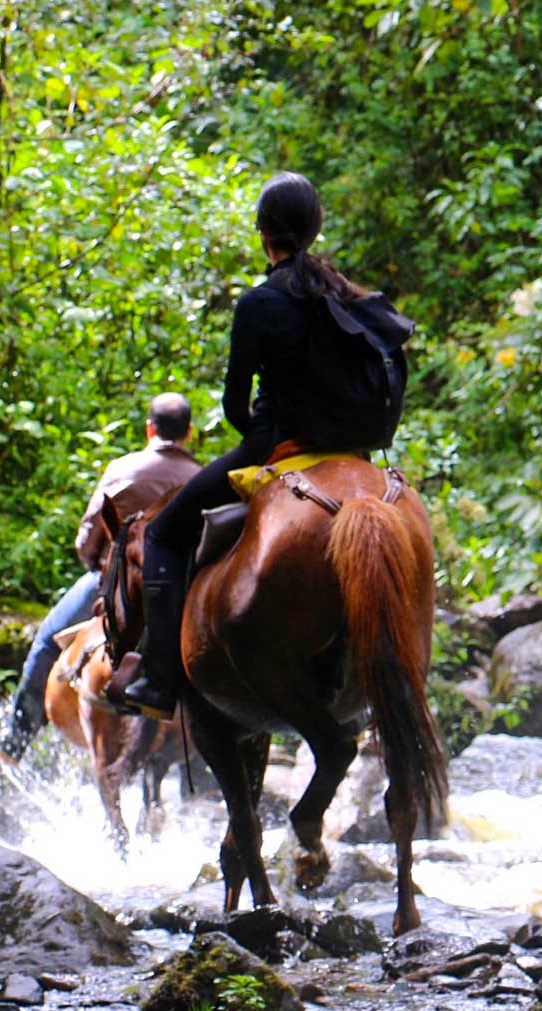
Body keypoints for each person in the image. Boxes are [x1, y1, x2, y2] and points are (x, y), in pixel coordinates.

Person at [116, 172, 389, 719]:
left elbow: (237, 408)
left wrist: (262, 434)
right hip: (351, 456)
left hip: (276, 444)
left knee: (165, 533)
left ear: (264, 232)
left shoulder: (260, 303)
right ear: (314, 229)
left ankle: (160, 678)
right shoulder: (350, 298)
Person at [3, 393, 198, 748]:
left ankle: (16, 740)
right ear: (190, 432)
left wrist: (101, 567)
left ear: (149, 428)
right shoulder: (202, 478)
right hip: (185, 594)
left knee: (47, 642)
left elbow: (87, 541)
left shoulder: (123, 469)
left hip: (117, 585)